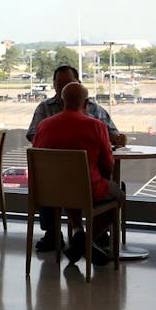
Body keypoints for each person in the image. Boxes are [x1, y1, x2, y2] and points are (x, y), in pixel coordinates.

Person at [26, 64, 125, 252]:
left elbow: (36, 146)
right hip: (85, 186)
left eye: (67, 84)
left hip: (52, 186)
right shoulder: (95, 125)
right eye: (59, 83)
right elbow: (108, 165)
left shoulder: (45, 126)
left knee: (67, 184)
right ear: (85, 103)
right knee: (116, 193)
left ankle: (79, 234)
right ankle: (88, 241)